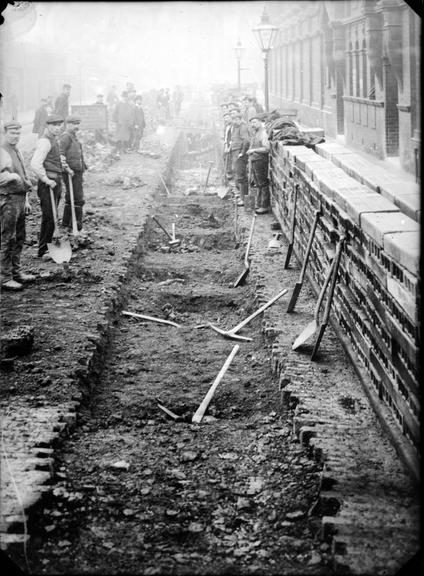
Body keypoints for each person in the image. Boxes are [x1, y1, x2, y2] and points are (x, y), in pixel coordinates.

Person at [30, 114, 71, 258]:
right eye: (55, 125)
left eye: (60, 125)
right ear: (48, 126)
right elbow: (35, 164)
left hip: (55, 182)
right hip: (48, 185)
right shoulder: (44, 141)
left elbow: (52, 157)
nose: (58, 128)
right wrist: (46, 180)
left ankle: (48, 246)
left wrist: (62, 162)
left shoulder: (54, 140)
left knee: (53, 216)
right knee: (49, 216)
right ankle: (43, 249)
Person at [0, 121, 35, 291]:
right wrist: (12, 176)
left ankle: (16, 272)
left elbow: (24, 174)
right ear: (5, 133)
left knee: (20, 237)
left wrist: (26, 199)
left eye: (18, 133)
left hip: (20, 199)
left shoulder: (17, 150)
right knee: (8, 238)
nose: (16, 136)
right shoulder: (1, 151)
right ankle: (5, 277)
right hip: (7, 199)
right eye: (12, 133)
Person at [59, 115, 87, 232]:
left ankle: (66, 223)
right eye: (73, 124)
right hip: (71, 173)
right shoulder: (65, 137)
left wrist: (83, 168)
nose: (76, 126)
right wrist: (68, 169)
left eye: (77, 124)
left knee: (72, 197)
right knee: (78, 198)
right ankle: (76, 224)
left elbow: (78, 154)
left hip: (77, 172)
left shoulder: (73, 136)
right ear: (67, 124)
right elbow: (60, 155)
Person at [246, 116, 270, 214]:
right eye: (251, 123)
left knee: (263, 183)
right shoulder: (255, 132)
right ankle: (258, 204)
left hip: (261, 161)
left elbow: (266, 149)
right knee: (257, 183)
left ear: (260, 122)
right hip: (254, 160)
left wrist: (254, 150)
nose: (253, 124)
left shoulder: (263, 133)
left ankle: (264, 206)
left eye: (255, 122)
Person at [229, 110, 250, 206]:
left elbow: (246, 140)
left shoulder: (243, 127)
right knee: (239, 175)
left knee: (241, 176)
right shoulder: (236, 126)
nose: (233, 122)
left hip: (239, 153)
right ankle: (242, 198)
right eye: (233, 120)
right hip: (235, 151)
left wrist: (242, 153)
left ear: (239, 119)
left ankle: (244, 199)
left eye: (235, 119)